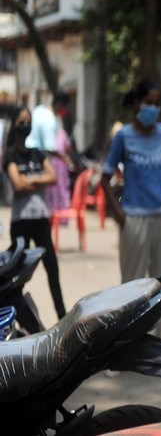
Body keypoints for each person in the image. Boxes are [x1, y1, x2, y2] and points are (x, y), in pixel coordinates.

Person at [101, 79, 161, 340]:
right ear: (138, 103)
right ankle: (127, 343)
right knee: (131, 284)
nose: (153, 107)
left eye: (157, 103)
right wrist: (118, 213)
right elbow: (105, 177)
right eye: (149, 101)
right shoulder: (124, 136)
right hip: (134, 219)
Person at [3, 105, 67, 321]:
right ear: (14, 125)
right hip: (20, 221)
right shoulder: (10, 155)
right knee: (17, 277)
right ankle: (20, 321)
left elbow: (53, 177)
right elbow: (17, 185)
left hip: (41, 219)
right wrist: (39, 179)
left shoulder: (37, 153)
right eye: (21, 122)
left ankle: (62, 316)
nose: (25, 126)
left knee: (53, 270)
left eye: (28, 121)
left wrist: (28, 179)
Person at [26, 91, 72, 216]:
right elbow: (49, 148)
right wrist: (64, 158)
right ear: (59, 104)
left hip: (26, 156)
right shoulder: (50, 120)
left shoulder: (39, 110)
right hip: (36, 159)